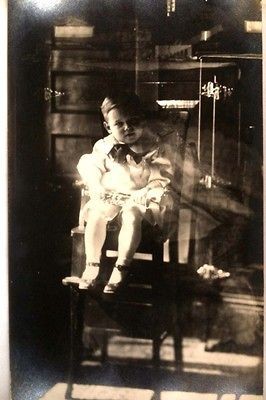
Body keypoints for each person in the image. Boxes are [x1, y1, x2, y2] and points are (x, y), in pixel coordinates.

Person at [77, 92, 178, 293]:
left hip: (142, 201)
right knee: (97, 213)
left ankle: (122, 266)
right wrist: (96, 185)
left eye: (133, 121)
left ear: (143, 121)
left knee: (132, 213)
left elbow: (162, 177)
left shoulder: (155, 147)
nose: (127, 128)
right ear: (108, 127)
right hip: (113, 198)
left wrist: (149, 189)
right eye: (119, 124)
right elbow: (90, 166)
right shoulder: (104, 146)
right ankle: (92, 264)